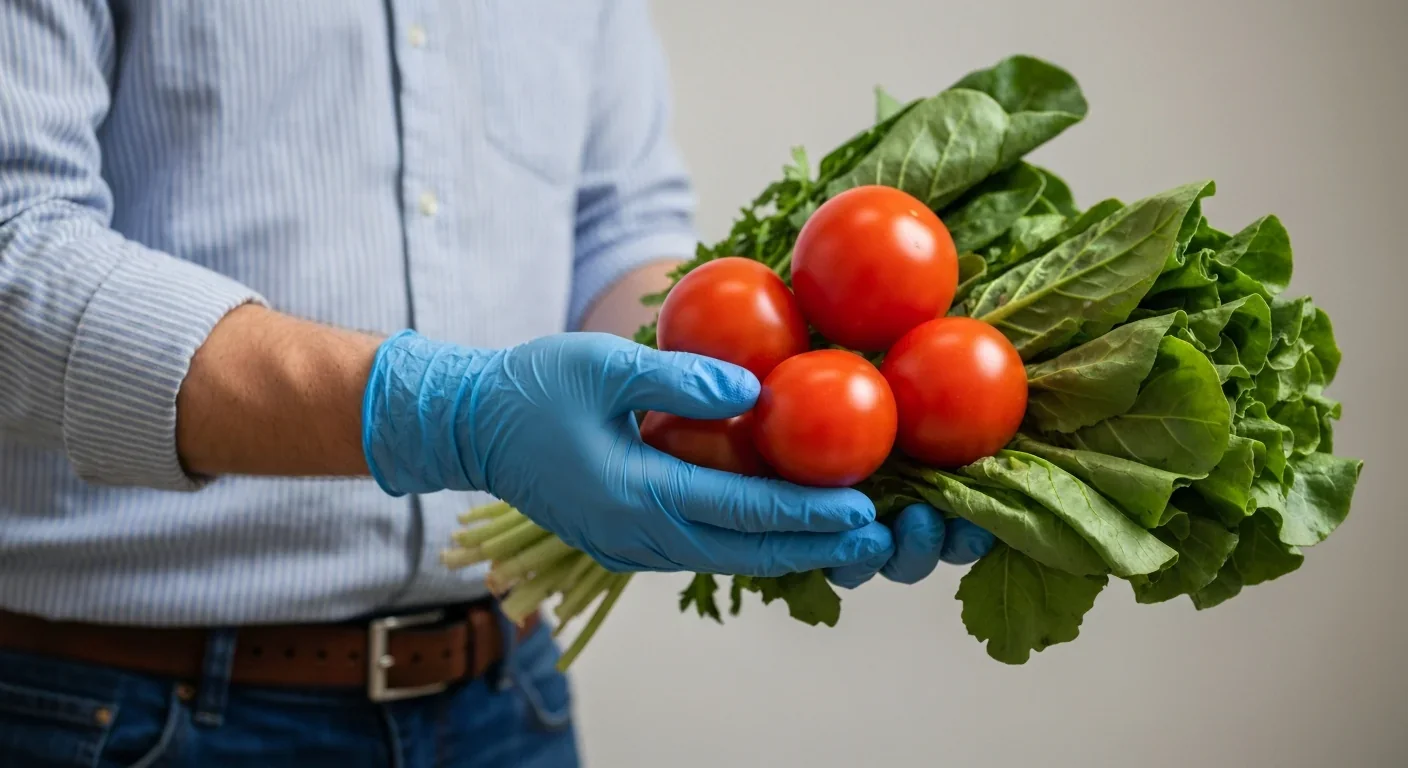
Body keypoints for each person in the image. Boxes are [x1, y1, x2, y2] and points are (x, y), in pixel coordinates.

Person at [0, 1, 994, 765]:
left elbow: (621, 223)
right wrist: (440, 414)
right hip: (118, 707)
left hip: (505, 698)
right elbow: (16, 251)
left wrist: (743, 424)